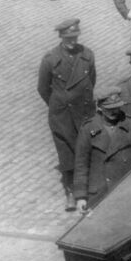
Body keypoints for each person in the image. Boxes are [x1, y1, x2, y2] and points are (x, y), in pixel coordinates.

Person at [37, 18, 96, 211]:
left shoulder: (87, 55)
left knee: (87, 147)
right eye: (68, 37)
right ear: (61, 37)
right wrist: (59, 104)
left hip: (84, 111)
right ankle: (70, 191)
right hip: (62, 115)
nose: (72, 40)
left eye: (75, 36)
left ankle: (89, 188)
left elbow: (91, 81)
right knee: (67, 154)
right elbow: (43, 88)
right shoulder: (50, 59)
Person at [73, 90, 131, 213]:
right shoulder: (88, 129)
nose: (114, 111)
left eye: (116, 107)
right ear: (99, 108)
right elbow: (81, 165)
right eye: (109, 108)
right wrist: (81, 197)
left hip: (126, 189)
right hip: (99, 193)